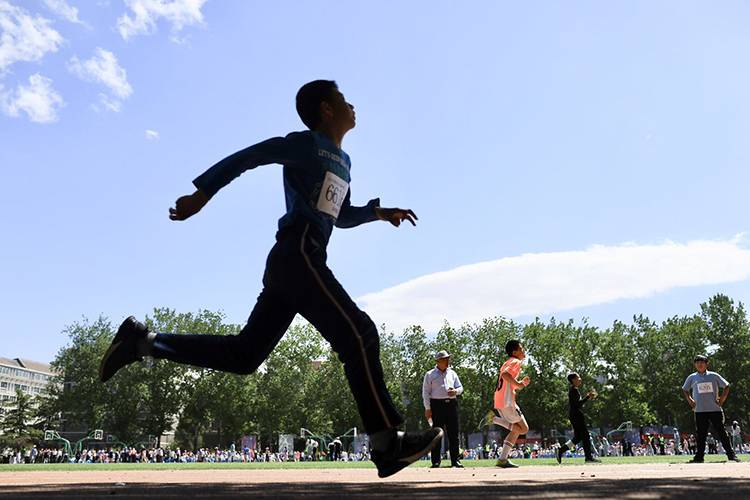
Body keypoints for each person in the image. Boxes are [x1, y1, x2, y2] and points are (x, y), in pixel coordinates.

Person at [98, 79, 443, 478]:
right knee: (360, 333)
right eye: (344, 100)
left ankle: (142, 342)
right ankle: (387, 443)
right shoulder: (304, 144)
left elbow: (341, 214)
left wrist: (378, 213)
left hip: (297, 261)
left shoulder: (344, 162)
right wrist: (202, 193)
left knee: (245, 356)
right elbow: (251, 156)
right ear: (326, 110)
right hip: (297, 253)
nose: (353, 106)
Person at [681, 355, 740, 463]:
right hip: (699, 411)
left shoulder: (714, 375)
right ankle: (699, 457)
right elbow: (685, 389)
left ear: (706, 363)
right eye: (697, 362)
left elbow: (726, 386)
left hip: (715, 410)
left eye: (702, 362)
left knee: (722, 433)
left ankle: (731, 456)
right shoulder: (692, 377)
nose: (699, 364)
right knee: (701, 435)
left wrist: (722, 399)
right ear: (695, 365)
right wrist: (690, 400)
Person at [490, 340, 531, 468]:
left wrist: (520, 384)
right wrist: (519, 384)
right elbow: (505, 374)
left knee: (517, 430)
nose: (523, 351)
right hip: (507, 401)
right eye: (521, 348)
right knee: (523, 429)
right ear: (515, 352)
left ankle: (502, 459)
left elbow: (508, 380)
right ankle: (494, 419)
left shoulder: (507, 362)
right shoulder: (515, 361)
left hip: (501, 400)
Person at [422, 350, 464, 468]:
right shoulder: (430, 374)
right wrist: (427, 408)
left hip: (451, 404)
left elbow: (460, 387)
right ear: (438, 361)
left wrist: (456, 391)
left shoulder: (452, 373)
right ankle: (435, 461)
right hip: (436, 405)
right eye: (445, 359)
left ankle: (455, 460)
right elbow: (425, 393)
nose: (447, 361)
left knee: (453, 433)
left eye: (448, 359)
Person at [556, 372, 600, 463]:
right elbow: (578, 404)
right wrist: (587, 397)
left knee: (578, 438)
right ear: (573, 380)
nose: (580, 379)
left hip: (575, 415)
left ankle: (561, 450)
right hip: (576, 415)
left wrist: (587, 397)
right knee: (586, 436)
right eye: (578, 377)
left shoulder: (574, 390)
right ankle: (588, 457)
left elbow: (577, 404)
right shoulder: (573, 390)